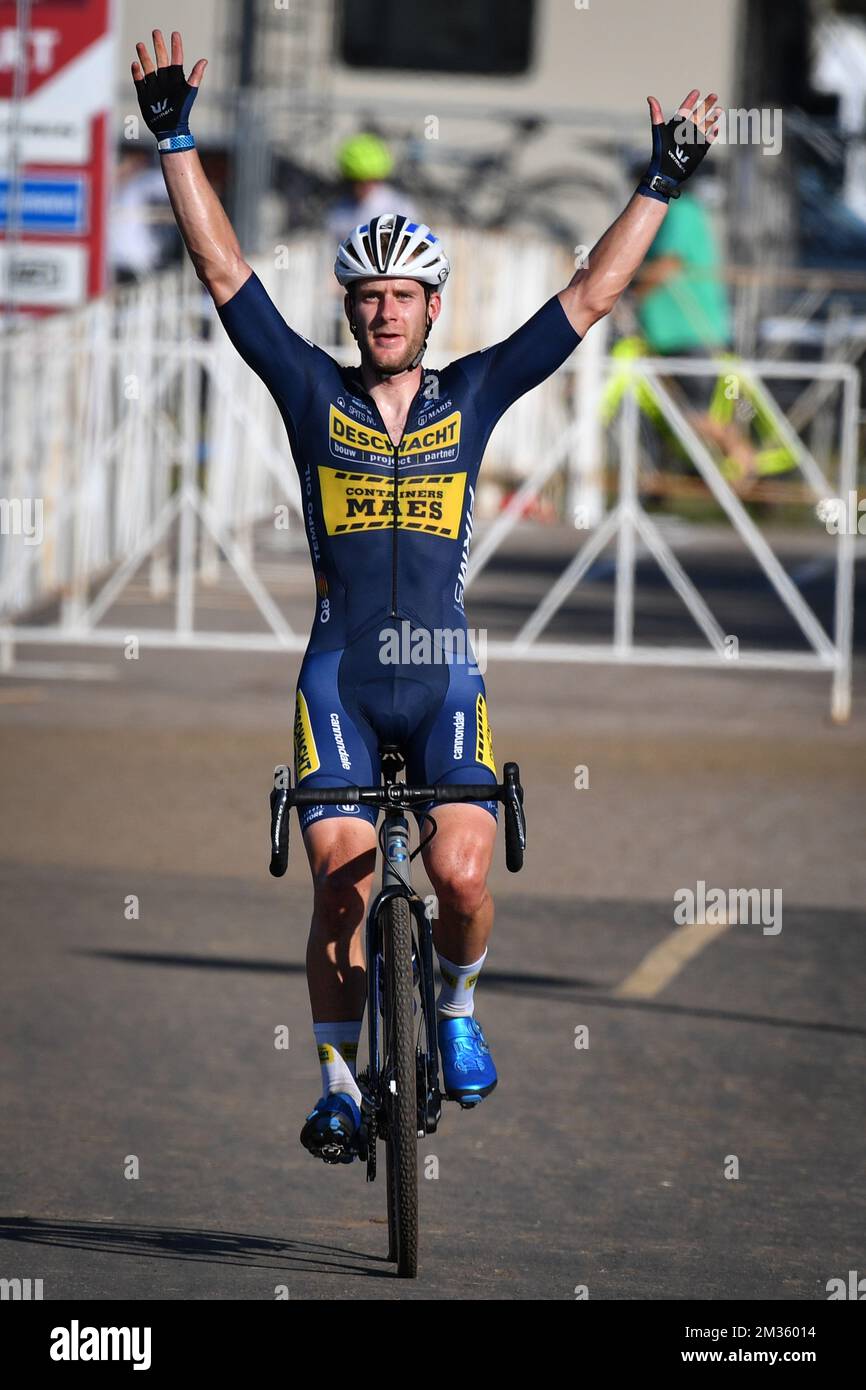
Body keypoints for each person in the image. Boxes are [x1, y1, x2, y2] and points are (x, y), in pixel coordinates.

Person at [133, 29, 719, 1163]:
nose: (385, 312)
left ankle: (452, 1007)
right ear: (349, 309)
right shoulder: (309, 390)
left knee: (458, 871)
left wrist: (658, 180)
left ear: (432, 306)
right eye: (368, 296)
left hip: (443, 674)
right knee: (343, 891)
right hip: (341, 679)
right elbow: (221, 274)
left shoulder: (474, 392)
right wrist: (173, 137)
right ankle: (338, 1081)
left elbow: (594, 293)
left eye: (403, 295)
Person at [325, 132, 419, 243]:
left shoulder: (399, 209)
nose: (362, 187)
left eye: (370, 180)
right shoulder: (340, 211)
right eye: (356, 181)